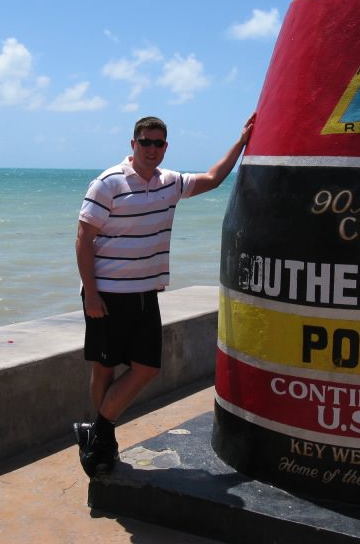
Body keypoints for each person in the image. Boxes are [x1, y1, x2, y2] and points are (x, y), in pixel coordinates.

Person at [72, 113, 255, 476]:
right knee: (105, 367)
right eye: (146, 142)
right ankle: (103, 441)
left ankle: (97, 431)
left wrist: (242, 142)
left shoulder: (169, 182)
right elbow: (82, 241)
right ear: (133, 144)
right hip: (108, 294)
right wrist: (91, 295)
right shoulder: (107, 183)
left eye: (159, 143)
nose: (152, 149)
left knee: (147, 367)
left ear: (165, 147)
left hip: (145, 293)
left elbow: (213, 179)